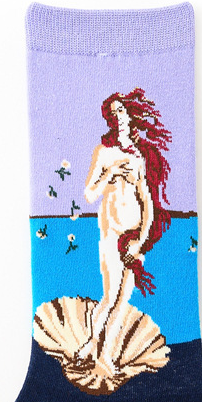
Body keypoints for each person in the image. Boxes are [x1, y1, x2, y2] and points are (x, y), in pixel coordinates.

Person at [74, 88, 172, 378]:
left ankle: (98, 351)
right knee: (111, 296)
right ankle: (97, 351)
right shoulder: (104, 153)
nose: (119, 116)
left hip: (133, 239)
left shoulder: (138, 157)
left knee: (122, 298)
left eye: (122, 110)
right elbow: (89, 194)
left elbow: (147, 203)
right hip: (112, 235)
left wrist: (141, 240)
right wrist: (110, 175)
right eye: (113, 113)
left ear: (130, 114)